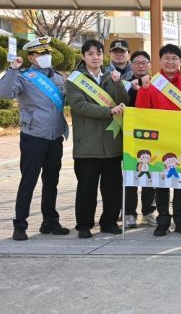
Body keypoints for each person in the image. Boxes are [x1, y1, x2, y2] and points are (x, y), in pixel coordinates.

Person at [0, 36, 70, 241]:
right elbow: (4, 93)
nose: (45, 56)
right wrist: (12, 69)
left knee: (52, 180)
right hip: (33, 136)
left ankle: (50, 221)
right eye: (40, 53)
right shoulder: (24, 76)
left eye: (47, 52)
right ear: (31, 57)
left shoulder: (58, 78)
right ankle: (20, 224)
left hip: (55, 137)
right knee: (28, 181)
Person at [65, 39, 129, 238]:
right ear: (83, 56)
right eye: (91, 54)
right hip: (87, 145)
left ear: (103, 56)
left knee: (112, 188)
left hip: (112, 143)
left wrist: (118, 84)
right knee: (87, 188)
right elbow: (79, 106)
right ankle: (84, 225)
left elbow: (124, 102)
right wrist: (108, 111)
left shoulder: (111, 76)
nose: (95, 57)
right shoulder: (75, 80)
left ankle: (109, 222)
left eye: (99, 54)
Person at [136, 44, 181, 236]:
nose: (170, 62)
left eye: (174, 58)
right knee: (161, 182)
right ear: (160, 60)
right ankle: (163, 220)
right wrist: (143, 90)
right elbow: (141, 112)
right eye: (166, 58)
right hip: (158, 142)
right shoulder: (151, 84)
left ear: (180, 61)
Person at [123, 50, 157, 228]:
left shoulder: (157, 84)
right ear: (131, 64)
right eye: (137, 62)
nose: (141, 65)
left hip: (152, 136)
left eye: (145, 62)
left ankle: (148, 212)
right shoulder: (125, 84)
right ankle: (129, 213)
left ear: (149, 65)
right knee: (131, 175)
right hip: (130, 136)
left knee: (149, 174)